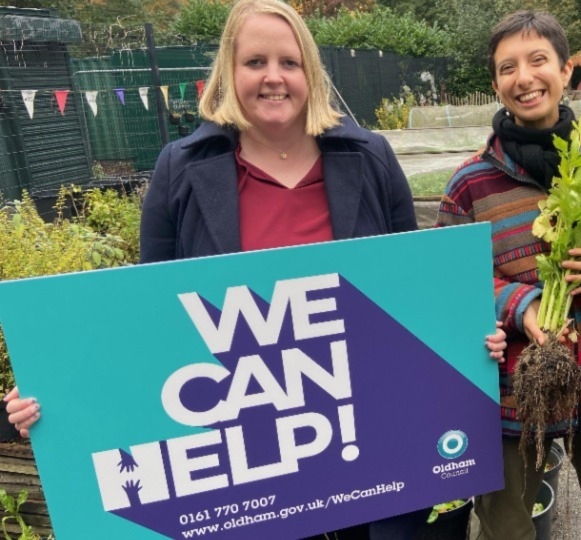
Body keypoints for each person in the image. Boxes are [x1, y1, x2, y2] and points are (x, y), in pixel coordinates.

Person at [3, 1, 506, 538]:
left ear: (309, 72)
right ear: (229, 71)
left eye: (288, 62)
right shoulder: (181, 168)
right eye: (255, 62)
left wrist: (468, 339)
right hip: (252, 458)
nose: (273, 77)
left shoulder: (371, 156)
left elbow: (414, 291)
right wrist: (58, 389)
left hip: (375, 435)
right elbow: (148, 319)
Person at [436, 10, 581, 540]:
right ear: (495, 83)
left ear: (566, 71)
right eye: (507, 67)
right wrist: (521, 305)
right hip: (511, 388)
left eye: (538, 60)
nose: (524, 78)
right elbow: (450, 282)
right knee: (507, 525)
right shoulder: (470, 185)